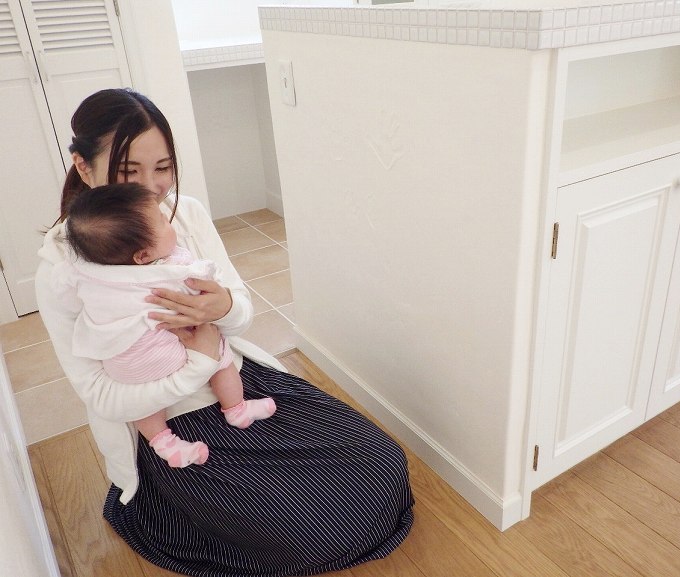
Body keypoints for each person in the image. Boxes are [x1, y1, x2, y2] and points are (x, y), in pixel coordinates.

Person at [35, 88, 413, 576]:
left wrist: (224, 306)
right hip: (165, 422)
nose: (152, 189)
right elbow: (101, 395)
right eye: (129, 172)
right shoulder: (63, 268)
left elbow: (241, 315)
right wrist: (195, 364)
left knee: (382, 462)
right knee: (305, 527)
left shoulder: (186, 215)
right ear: (84, 167)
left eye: (163, 167)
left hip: (233, 383)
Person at [57, 182, 277, 468]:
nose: (168, 221)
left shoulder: (81, 272)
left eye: (162, 167)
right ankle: (237, 409)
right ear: (143, 256)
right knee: (220, 354)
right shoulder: (171, 270)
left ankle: (164, 443)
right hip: (169, 355)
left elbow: (66, 297)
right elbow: (202, 286)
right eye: (162, 221)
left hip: (122, 365)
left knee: (141, 403)